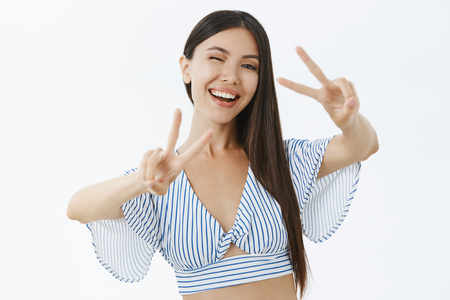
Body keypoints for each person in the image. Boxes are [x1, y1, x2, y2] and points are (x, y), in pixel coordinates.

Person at [67, 10, 378, 300]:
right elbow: (78, 208)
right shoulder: (161, 178)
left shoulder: (280, 161)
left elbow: (361, 146)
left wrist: (350, 122)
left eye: (248, 66)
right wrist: (141, 181)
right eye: (217, 58)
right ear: (186, 68)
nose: (231, 76)